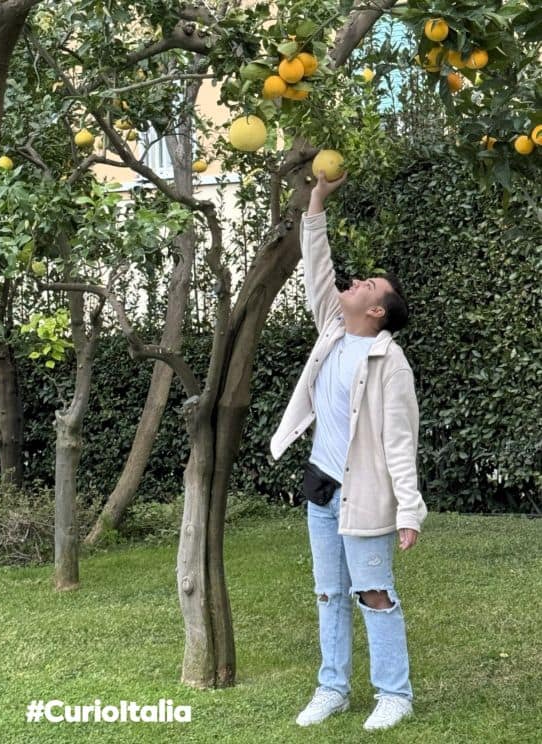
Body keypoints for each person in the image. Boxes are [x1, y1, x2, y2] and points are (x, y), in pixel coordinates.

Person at [269, 171, 428, 732]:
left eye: (368, 285)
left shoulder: (391, 364)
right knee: (327, 593)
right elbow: (318, 269)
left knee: (374, 593)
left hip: (366, 500)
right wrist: (316, 203)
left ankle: (394, 694)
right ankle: (332, 687)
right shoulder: (332, 330)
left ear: (379, 311)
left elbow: (400, 444)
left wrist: (408, 510)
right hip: (321, 488)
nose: (356, 283)